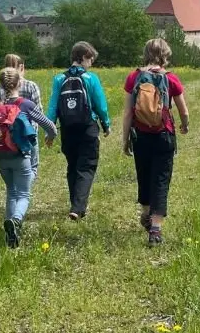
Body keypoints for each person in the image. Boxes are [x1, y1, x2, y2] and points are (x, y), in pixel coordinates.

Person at [122, 38, 189, 246]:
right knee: (160, 179)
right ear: (165, 56)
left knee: (143, 175)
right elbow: (184, 111)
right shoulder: (171, 79)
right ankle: (156, 228)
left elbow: (128, 113)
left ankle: (146, 212)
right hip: (164, 135)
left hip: (140, 135)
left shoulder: (134, 77)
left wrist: (125, 139)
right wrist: (185, 125)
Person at [0, 67, 58, 248]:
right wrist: (51, 136)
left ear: (1, 85)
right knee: (24, 193)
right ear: (19, 83)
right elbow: (49, 125)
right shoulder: (26, 105)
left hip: (1, 159)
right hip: (21, 156)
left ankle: (10, 234)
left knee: (11, 192)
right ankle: (16, 221)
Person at [46, 41, 110, 220]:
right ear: (83, 57)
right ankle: (78, 207)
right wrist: (106, 124)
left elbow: (53, 106)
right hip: (87, 128)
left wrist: (50, 130)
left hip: (67, 129)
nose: (91, 63)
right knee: (87, 167)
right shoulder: (90, 78)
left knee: (72, 166)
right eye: (90, 59)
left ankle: (75, 203)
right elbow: (100, 105)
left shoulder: (59, 79)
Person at [0, 53, 43, 177]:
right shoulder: (31, 86)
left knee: (11, 173)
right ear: (21, 67)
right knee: (32, 169)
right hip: (29, 135)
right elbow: (39, 112)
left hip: (6, 138)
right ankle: (24, 189)